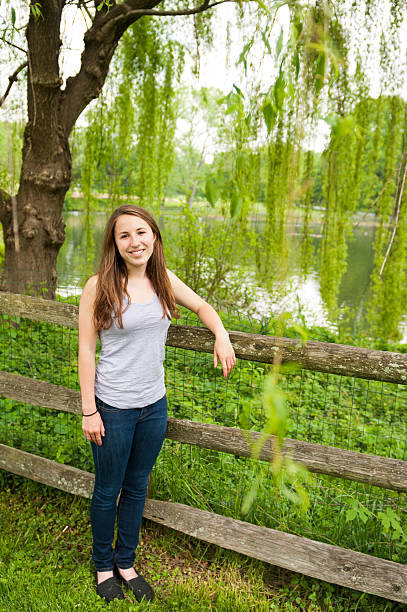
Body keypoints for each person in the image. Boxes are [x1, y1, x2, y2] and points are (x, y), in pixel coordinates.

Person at [78, 204, 236, 603]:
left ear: (154, 236)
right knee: (107, 488)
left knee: (135, 487)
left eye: (142, 232)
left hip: (154, 406)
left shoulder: (163, 278)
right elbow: (85, 350)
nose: (136, 242)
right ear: (114, 244)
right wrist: (89, 409)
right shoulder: (98, 286)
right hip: (111, 406)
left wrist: (221, 333)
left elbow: (202, 306)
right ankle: (102, 566)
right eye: (125, 235)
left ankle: (126, 562)